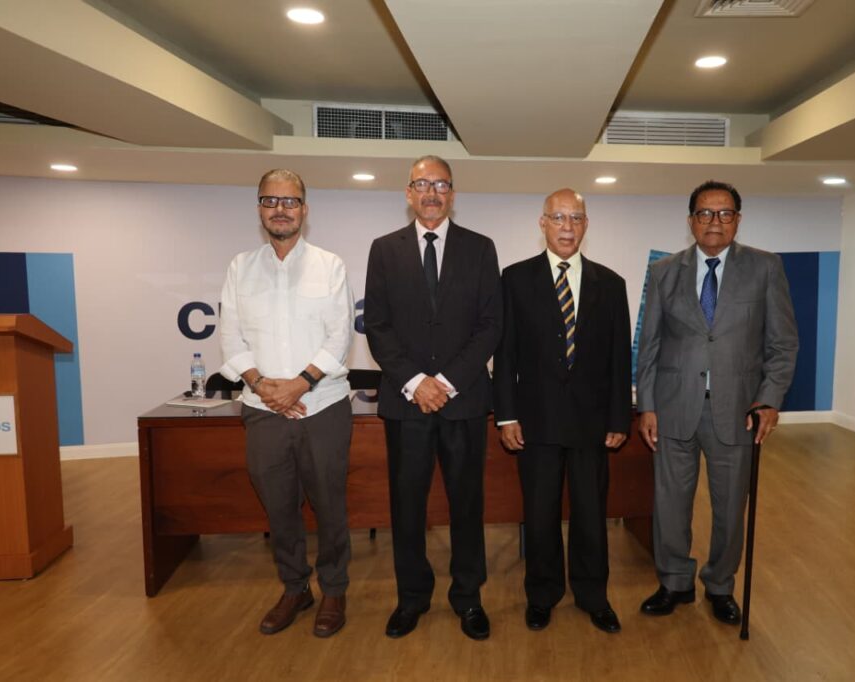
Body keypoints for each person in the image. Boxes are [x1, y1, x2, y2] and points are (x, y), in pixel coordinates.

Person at [635, 180, 798, 625]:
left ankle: (721, 585)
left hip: (738, 412)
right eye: (705, 213)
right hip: (673, 407)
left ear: (737, 220)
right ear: (691, 221)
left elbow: (783, 344)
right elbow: (649, 344)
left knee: (729, 507)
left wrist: (768, 400)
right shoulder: (664, 271)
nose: (714, 222)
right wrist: (647, 405)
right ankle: (674, 582)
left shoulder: (765, 268)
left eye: (725, 213)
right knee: (670, 504)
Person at [363, 155, 502, 640]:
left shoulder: (480, 249)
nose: (431, 193)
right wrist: (416, 382)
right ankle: (411, 599)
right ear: (408, 193)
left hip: (463, 402)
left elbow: (490, 326)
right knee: (407, 507)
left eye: (441, 185)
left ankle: (468, 598)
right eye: (422, 184)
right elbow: (377, 326)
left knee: (467, 505)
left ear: (452, 195)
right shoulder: (384, 250)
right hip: (406, 404)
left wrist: (445, 382)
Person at [218, 169, 355, 637]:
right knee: (278, 508)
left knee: (330, 506)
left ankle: (334, 590)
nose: (281, 209)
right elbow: (230, 336)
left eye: (290, 201)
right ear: (259, 208)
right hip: (263, 411)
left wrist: (298, 384)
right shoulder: (240, 267)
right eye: (271, 200)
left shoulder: (329, 265)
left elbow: (339, 336)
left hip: (323, 406)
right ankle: (295, 589)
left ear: (304, 209)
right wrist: (261, 385)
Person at [494, 189, 631, 634]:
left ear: (586, 224)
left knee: (591, 514)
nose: (567, 227)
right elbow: (505, 355)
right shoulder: (515, 279)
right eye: (558, 218)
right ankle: (542, 594)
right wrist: (506, 415)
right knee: (540, 515)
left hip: (593, 423)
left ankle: (594, 596)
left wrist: (619, 417)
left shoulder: (611, 284)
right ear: (543, 223)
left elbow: (619, 358)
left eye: (576, 218)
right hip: (536, 422)